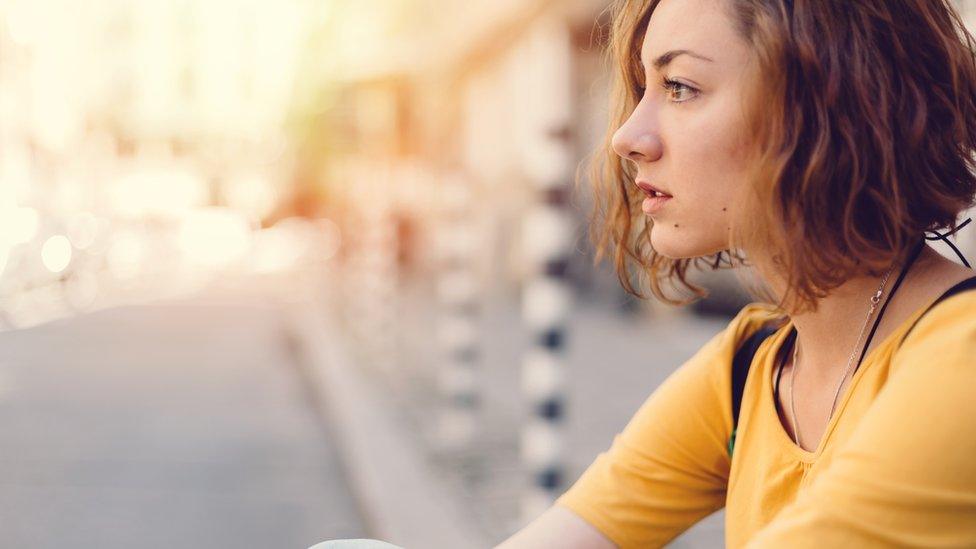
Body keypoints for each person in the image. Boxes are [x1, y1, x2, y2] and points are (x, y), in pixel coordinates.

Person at [496, 0, 976, 547]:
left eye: (679, 87)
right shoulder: (751, 368)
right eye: (643, 88)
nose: (626, 136)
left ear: (825, 106)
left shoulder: (961, 361)